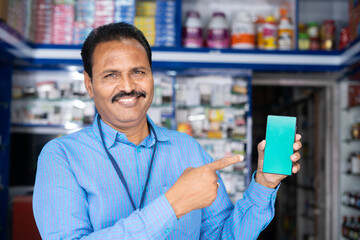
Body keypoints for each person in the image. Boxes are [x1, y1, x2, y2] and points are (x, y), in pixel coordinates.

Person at [33, 22, 302, 240]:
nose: (128, 86)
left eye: (138, 71)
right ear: (89, 84)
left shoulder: (188, 149)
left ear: (152, 77)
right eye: (111, 75)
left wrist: (264, 184)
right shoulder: (61, 156)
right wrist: (174, 204)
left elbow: (223, 237)